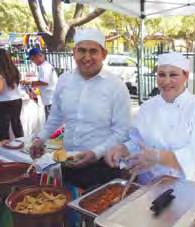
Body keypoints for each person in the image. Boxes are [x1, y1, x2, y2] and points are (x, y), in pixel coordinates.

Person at [30, 28, 131, 189]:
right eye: (81, 51)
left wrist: (95, 153)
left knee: (98, 212)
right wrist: (40, 139)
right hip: (68, 162)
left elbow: (122, 131)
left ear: (103, 54)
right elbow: (56, 116)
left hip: (103, 165)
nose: (87, 57)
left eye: (93, 51)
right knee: (69, 208)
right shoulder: (64, 80)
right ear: (73, 52)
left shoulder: (116, 86)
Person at [105, 52, 195, 185]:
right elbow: (138, 142)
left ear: (186, 75)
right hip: (150, 186)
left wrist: (159, 157)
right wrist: (122, 149)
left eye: (173, 75)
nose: (166, 81)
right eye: (162, 74)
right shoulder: (147, 107)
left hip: (189, 186)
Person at [21, 48, 58, 120]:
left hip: (50, 99)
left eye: (32, 59)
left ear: (38, 56)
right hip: (50, 98)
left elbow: (44, 82)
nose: (32, 61)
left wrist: (29, 83)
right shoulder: (45, 66)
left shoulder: (44, 67)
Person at [0, 48, 24, 140]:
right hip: (17, 99)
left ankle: (4, 151)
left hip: (4, 102)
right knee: (17, 124)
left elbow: (0, 90)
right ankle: (21, 144)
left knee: (3, 128)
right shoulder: (14, 70)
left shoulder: (1, 72)